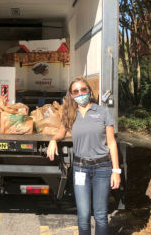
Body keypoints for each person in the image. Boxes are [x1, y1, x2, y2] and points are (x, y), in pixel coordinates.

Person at [47, 75, 121, 235]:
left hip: (103, 168)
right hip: (81, 169)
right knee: (83, 215)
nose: (80, 93)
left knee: (101, 215)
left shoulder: (102, 112)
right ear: (71, 95)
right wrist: (53, 140)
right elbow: (60, 133)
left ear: (89, 91)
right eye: (76, 91)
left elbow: (112, 143)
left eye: (83, 89)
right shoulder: (70, 114)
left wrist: (116, 171)